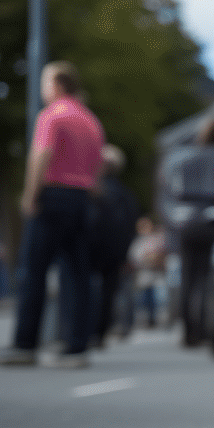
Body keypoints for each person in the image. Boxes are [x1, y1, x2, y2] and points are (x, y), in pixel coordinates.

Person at [0, 61, 104, 368]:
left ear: (57, 85)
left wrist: (29, 195)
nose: (42, 88)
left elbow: (41, 154)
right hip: (81, 199)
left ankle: (25, 344)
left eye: (44, 81)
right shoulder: (91, 120)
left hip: (53, 196)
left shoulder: (52, 115)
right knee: (77, 274)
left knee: (33, 270)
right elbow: (98, 164)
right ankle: (77, 347)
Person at [161, 120, 214, 346]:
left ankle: (189, 331)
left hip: (186, 223)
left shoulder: (183, 159)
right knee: (210, 279)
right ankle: (207, 327)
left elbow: (168, 192)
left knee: (188, 278)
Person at [84, 144, 140, 345]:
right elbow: (130, 226)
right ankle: (99, 333)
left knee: (87, 287)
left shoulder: (90, 191)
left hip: (91, 248)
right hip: (115, 251)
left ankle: (86, 330)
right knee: (108, 292)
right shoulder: (126, 195)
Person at [127, 216, 167, 329]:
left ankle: (156, 319)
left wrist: (158, 259)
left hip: (157, 275)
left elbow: (164, 254)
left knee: (158, 299)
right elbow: (133, 257)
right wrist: (146, 259)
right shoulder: (138, 241)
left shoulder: (157, 239)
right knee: (144, 299)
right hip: (144, 276)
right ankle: (147, 319)